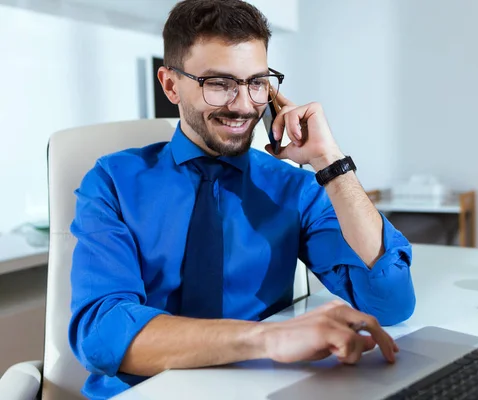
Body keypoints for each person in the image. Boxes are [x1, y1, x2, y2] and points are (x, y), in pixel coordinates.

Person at [68, 0, 416, 398]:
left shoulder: (295, 188)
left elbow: (390, 302)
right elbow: (101, 333)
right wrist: (267, 339)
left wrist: (330, 162)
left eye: (257, 82)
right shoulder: (112, 181)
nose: (243, 104)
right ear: (170, 85)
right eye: (218, 83)